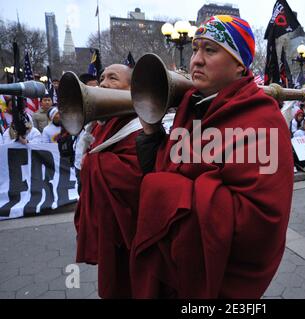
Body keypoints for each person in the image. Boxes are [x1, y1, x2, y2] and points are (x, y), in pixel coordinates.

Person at [133, 15, 293, 298]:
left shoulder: (263, 119)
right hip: (181, 259)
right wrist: (150, 134)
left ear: (239, 64)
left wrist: (169, 193)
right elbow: (167, 167)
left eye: (210, 50)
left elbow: (261, 221)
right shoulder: (191, 106)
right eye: (195, 49)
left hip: (220, 273)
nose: (196, 59)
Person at [74, 64, 143, 298]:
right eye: (102, 78)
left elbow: (134, 176)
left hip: (131, 232)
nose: (103, 84)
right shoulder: (106, 122)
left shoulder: (142, 124)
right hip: (110, 225)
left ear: (133, 89)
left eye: (113, 78)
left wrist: (93, 164)